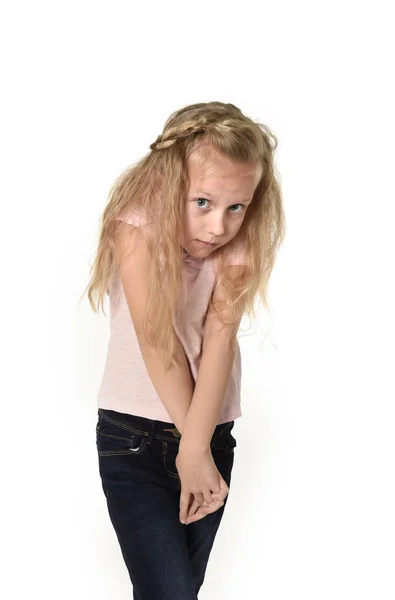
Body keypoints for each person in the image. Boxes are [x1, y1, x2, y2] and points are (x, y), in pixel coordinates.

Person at [85, 101, 285, 599]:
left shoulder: (239, 239)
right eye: (203, 202)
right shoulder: (136, 228)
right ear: (171, 182)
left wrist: (198, 448)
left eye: (236, 206)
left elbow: (220, 340)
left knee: (181, 591)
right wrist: (189, 452)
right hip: (132, 438)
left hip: (212, 437)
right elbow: (161, 346)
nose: (218, 227)